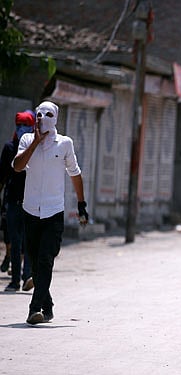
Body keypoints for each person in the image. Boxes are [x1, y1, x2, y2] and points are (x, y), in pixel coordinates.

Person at [13, 101, 89, 325]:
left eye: (47, 114)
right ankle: (48, 307)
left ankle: (34, 309)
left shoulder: (64, 144)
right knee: (36, 264)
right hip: (31, 210)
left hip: (54, 212)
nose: (41, 118)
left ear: (55, 118)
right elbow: (17, 166)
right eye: (38, 114)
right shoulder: (27, 140)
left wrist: (81, 204)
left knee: (46, 260)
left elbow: (75, 173)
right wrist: (35, 142)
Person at [1, 111, 35, 292]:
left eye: (26, 125)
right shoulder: (9, 148)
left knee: (28, 242)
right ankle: (15, 280)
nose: (22, 129)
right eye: (19, 125)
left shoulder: (35, 147)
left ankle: (27, 276)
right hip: (13, 200)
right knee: (15, 241)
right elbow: (2, 175)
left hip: (31, 201)